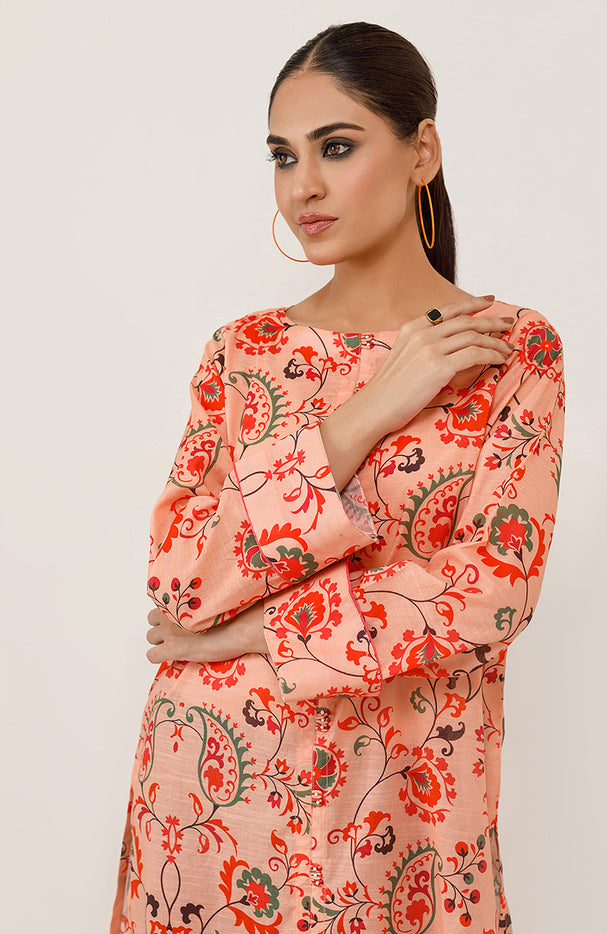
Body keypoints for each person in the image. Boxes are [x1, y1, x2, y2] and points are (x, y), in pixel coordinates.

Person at [110, 21, 565, 934]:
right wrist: (367, 413)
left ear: (422, 151)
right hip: (207, 803)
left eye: (338, 147)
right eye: (283, 156)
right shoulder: (243, 352)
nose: (302, 186)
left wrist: (256, 633)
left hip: (405, 813)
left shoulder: (508, 350)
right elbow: (182, 576)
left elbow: (492, 595)